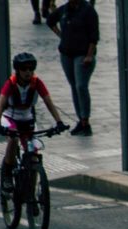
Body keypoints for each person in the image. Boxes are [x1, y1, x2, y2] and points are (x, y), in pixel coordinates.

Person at [0, 53, 68, 192]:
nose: (28, 72)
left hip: (28, 118)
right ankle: (7, 173)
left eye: (31, 69)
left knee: (33, 153)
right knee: (13, 139)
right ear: (17, 70)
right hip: (10, 118)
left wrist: (59, 122)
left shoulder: (37, 82)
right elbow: (1, 103)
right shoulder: (11, 83)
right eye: (24, 69)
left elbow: (48, 102)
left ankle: (31, 191)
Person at [47, 0, 98, 137]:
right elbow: (50, 20)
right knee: (74, 86)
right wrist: (61, 35)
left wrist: (89, 55)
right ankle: (81, 120)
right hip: (67, 54)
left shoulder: (88, 10)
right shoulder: (65, 9)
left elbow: (94, 35)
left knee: (81, 86)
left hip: (82, 54)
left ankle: (85, 120)